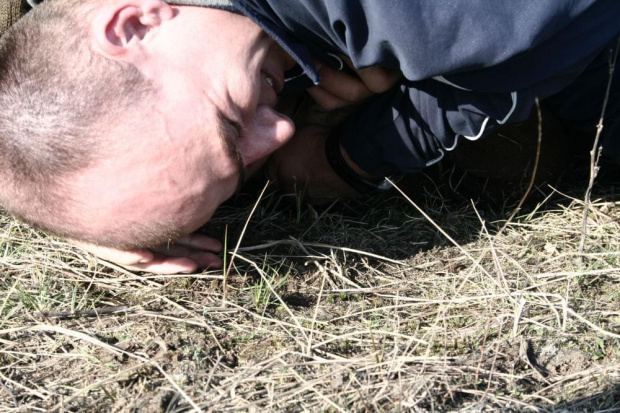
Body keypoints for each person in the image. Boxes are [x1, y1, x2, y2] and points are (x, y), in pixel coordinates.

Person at [0, 0, 618, 274]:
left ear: (136, 20)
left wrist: (352, 156)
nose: (283, 130)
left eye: (231, 126)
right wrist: (88, 206)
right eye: (239, 173)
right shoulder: (124, 37)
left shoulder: (432, 18)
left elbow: (555, 28)